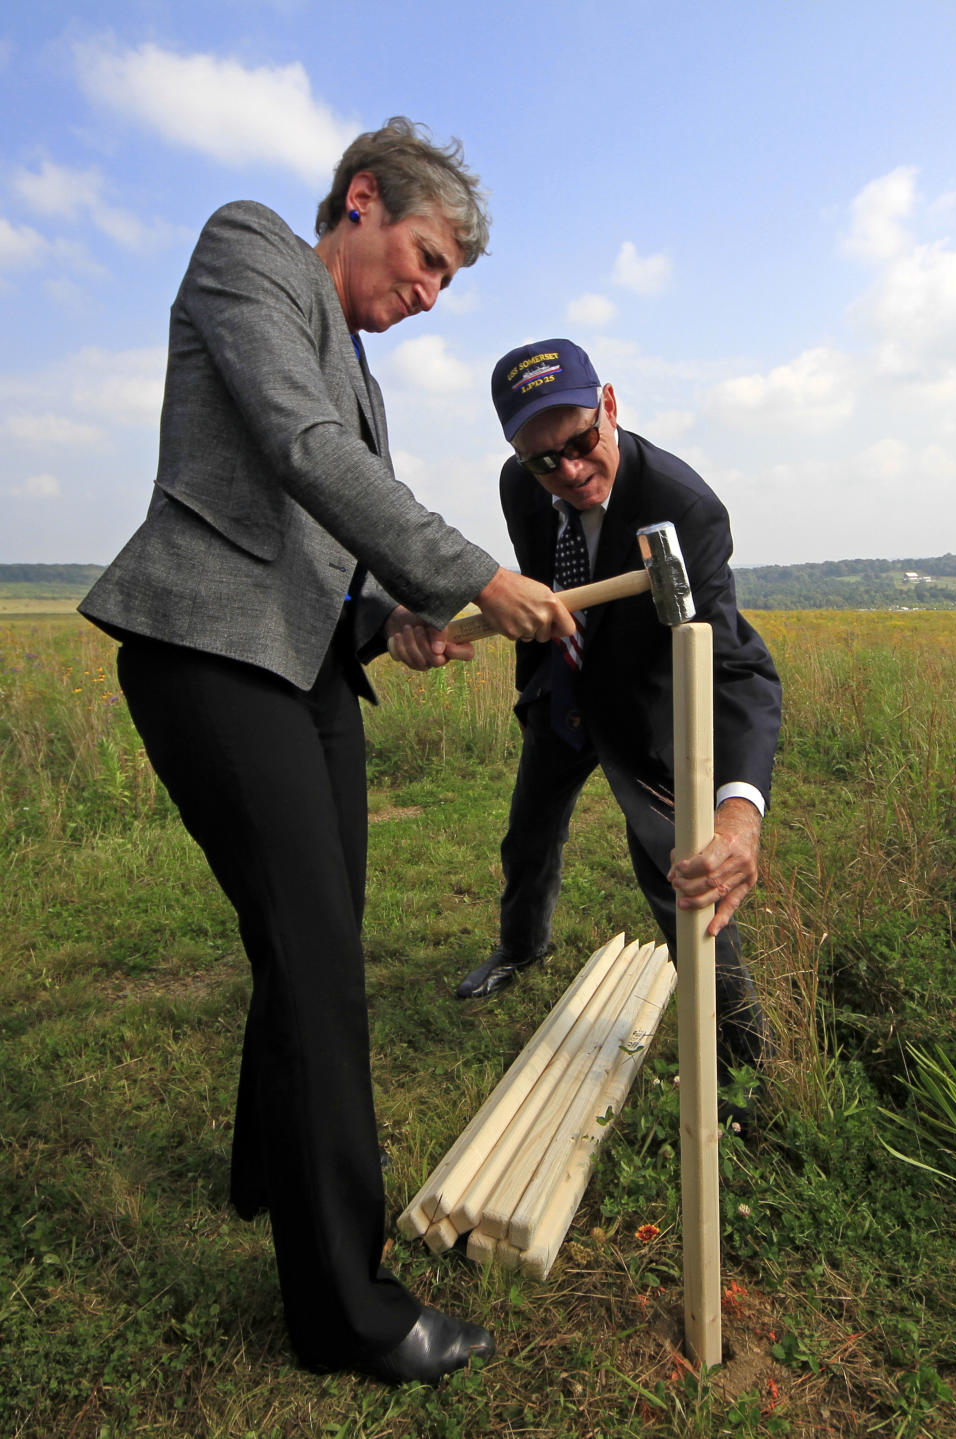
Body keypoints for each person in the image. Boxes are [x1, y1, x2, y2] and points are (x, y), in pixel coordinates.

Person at [79, 120, 574, 1386]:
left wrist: (393, 617)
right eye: (422, 259)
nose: (427, 293)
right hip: (205, 651)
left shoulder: (366, 371)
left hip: (304, 669)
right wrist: (474, 571)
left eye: (448, 283)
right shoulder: (248, 246)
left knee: (315, 937)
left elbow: (326, 546)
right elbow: (301, 452)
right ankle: (349, 1312)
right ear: (361, 200)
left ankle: (267, 1170)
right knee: (316, 964)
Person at [452, 339, 782, 1111]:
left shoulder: (683, 506)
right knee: (526, 835)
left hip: (643, 709)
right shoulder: (519, 484)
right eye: (543, 459)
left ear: (609, 403)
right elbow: (538, 577)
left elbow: (739, 668)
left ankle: (745, 1060)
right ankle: (519, 946)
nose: (567, 470)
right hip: (562, 690)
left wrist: (738, 815)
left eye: (579, 442)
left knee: (686, 875)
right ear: (514, 453)